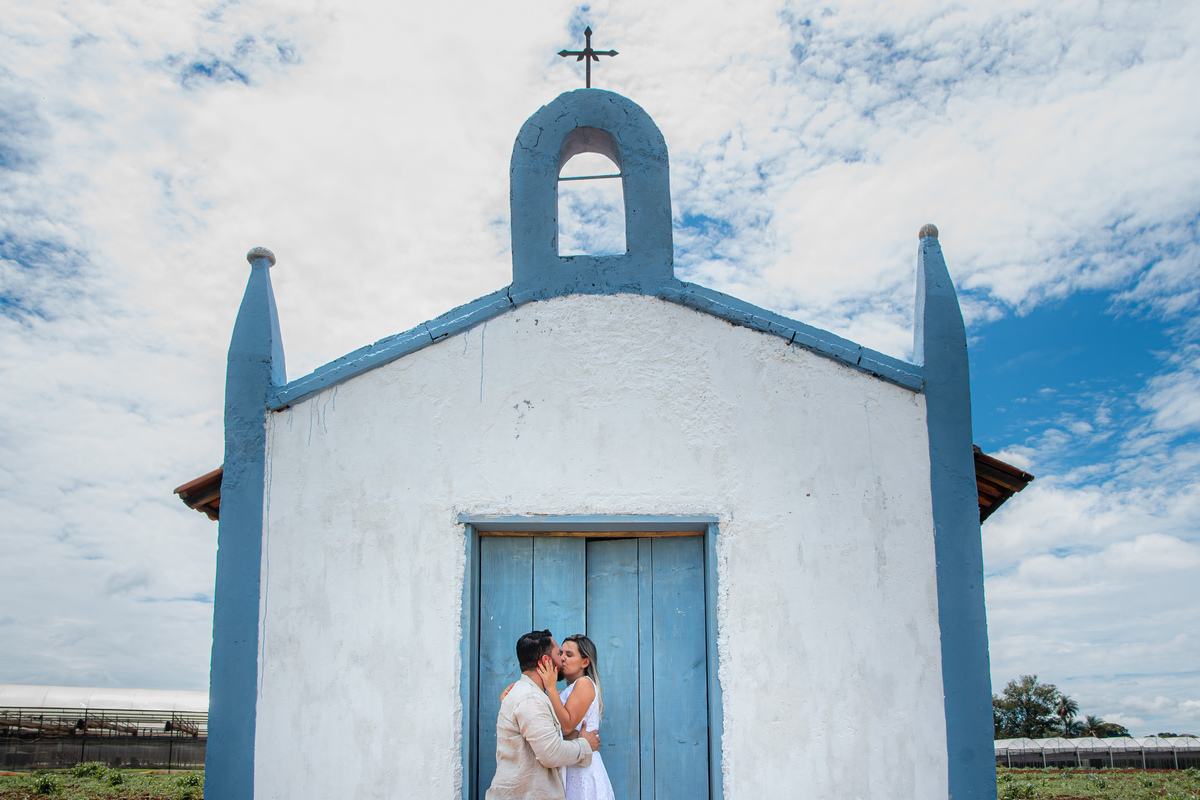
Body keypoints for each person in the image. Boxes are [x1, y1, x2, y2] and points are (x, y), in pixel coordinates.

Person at [486, 630, 600, 800]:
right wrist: (584, 744)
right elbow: (552, 753)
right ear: (547, 661)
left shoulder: (533, 696)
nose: (562, 659)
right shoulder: (530, 698)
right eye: (559, 653)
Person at [536, 634, 615, 800]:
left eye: (569, 655)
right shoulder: (566, 691)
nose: (562, 659)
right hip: (572, 763)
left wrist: (550, 687)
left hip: (583, 770)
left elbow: (566, 726)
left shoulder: (584, 683)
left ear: (585, 662)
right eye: (561, 654)